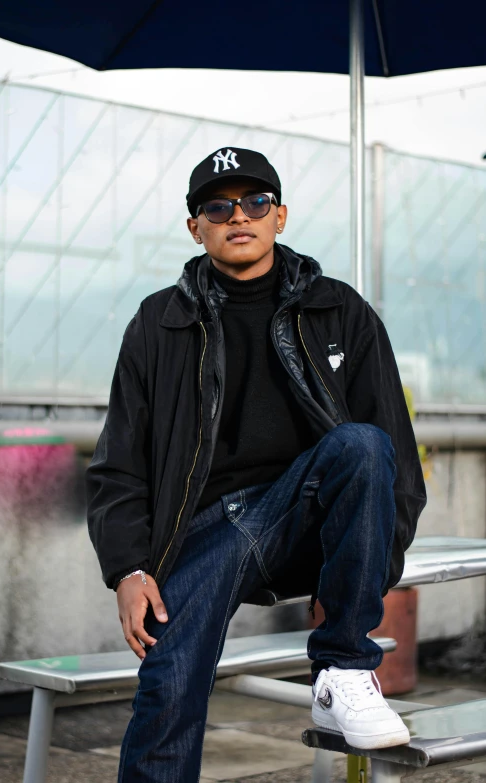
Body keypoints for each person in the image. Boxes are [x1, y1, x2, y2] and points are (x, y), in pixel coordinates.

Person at [85, 147, 427, 782]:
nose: (237, 216)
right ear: (196, 227)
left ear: (280, 216)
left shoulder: (338, 310)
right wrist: (128, 568)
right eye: (217, 206)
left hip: (304, 512)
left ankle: (344, 671)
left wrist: (371, 563)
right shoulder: (161, 323)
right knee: (168, 689)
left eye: (255, 202)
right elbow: (119, 461)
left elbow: (395, 459)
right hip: (203, 531)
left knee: (360, 444)